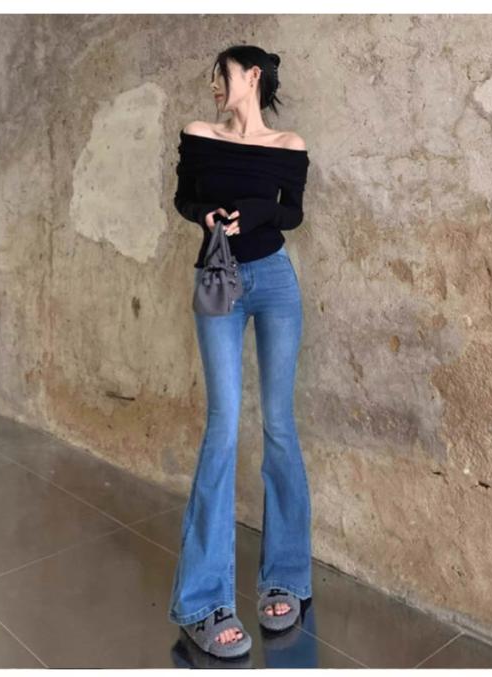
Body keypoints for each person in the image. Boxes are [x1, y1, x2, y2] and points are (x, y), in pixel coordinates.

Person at [167, 45, 313, 659]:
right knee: (222, 425)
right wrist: (208, 217)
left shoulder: (288, 145)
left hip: (275, 282)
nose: (212, 85)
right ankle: (203, 602)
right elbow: (184, 198)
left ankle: (287, 578)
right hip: (217, 278)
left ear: (252, 76)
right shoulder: (199, 134)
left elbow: (291, 213)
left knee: (278, 425)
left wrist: (251, 214)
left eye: (220, 75)